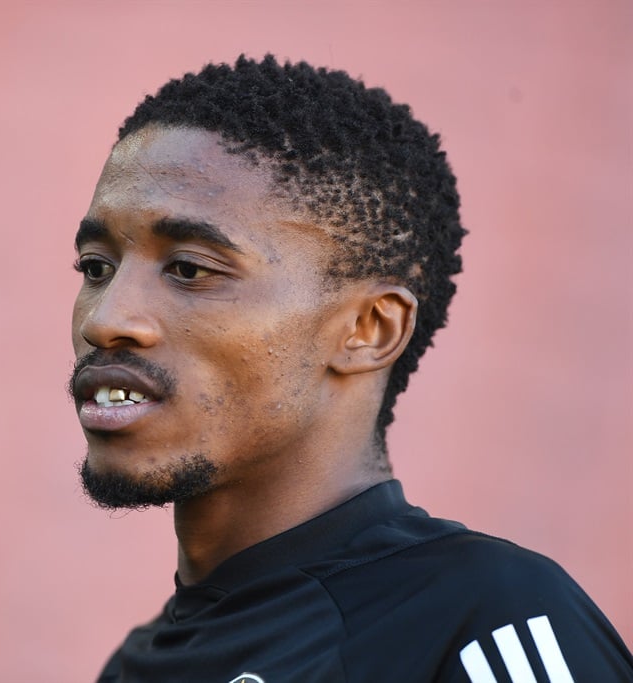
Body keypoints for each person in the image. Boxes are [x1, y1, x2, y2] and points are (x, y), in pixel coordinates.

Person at [67, 55, 633, 682]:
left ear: (369, 330)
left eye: (192, 269)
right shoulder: (134, 668)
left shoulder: (483, 619)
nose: (107, 318)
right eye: (97, 267)